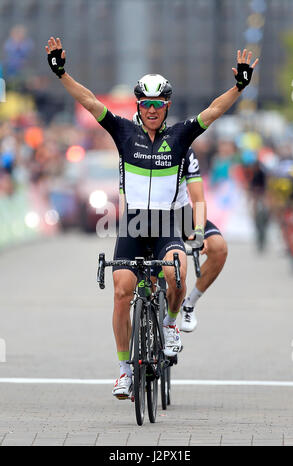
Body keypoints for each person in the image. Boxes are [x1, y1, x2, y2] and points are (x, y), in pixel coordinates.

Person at [46, 37, 258, 398]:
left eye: (159, 104)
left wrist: (239, 86)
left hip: (165, 224)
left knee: (177, 271)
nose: (153, 109)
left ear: (167, 105)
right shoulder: (123, 132)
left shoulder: (180, 136)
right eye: (146, 104)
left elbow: (213, 110)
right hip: (133, 223)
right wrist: (61, 73)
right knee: (121, 291)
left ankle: (172, 323)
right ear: (139, 106)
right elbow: (89, 100)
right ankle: (124, 370)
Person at [133, 112, 228, 332]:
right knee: (151, 280)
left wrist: (199, 231)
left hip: (180, 213)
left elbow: (198, 198)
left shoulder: (183, 149)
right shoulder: (132, 150)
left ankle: (189, 304)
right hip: (147, 215)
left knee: (218, 247)